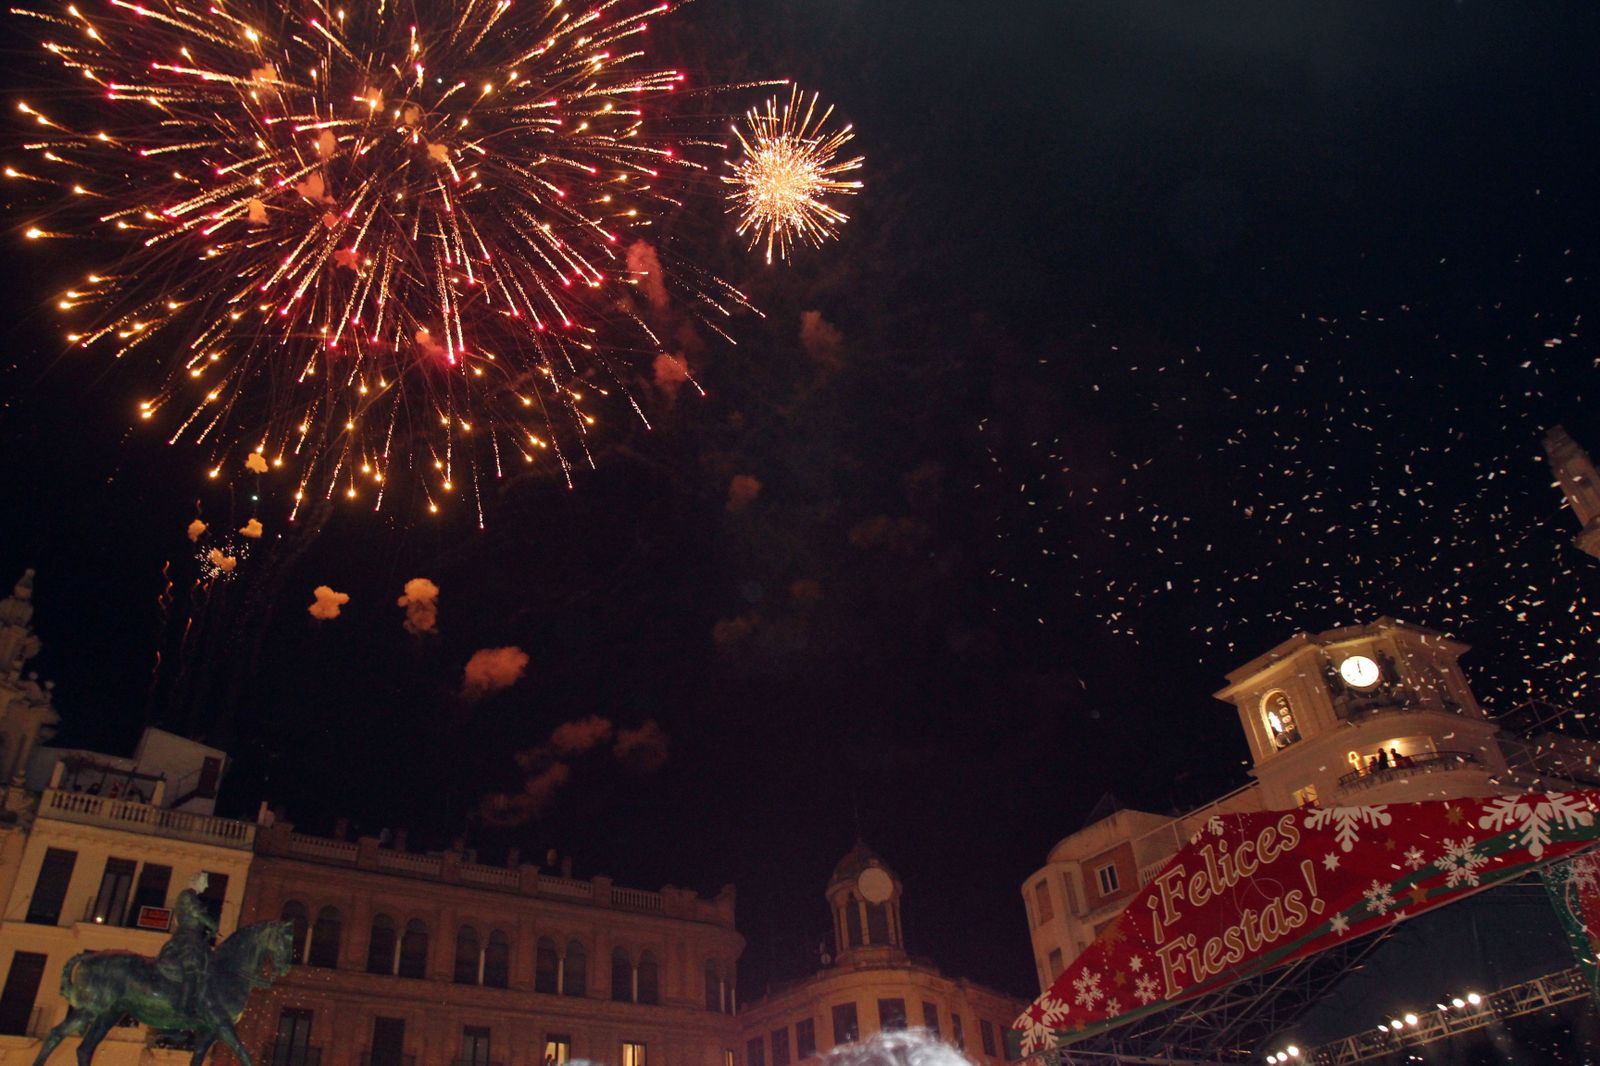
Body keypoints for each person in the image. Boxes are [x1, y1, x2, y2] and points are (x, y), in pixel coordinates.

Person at [155, 873, 220, 1016]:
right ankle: (183, 1008)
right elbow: (195, 912)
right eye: (204, 882)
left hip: (193, 937)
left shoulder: (193, 896)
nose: (206, 886)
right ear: (196, 881)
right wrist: (212, 924)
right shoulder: (187, 895)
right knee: (192, 969)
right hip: (187, 937)